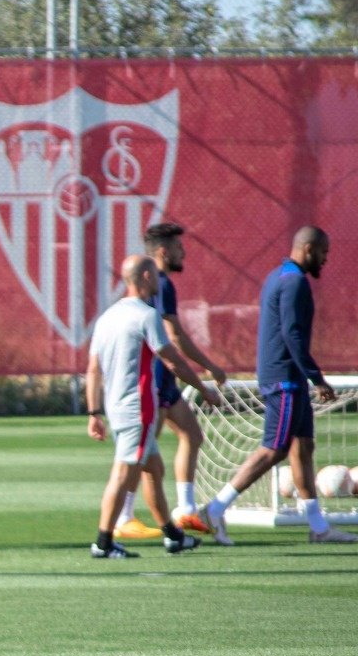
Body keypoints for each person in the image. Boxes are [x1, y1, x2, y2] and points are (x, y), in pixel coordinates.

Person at [204, 226, 357, 545]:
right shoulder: (294, 282)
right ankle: (215, 509)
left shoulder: (280, 275)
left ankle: (318, 527)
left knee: (303, 446)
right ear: (309, 249)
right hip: (284, 378)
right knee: (276, 449)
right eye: (324, 252)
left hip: (291, 378)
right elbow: (292, 334)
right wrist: (317, 377)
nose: (326, 259)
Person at [86, 254, 221, 559]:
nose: (160, 281)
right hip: (139, 409)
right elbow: (171, 360)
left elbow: (93, 370)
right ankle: (103, 542)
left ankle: (173, 536)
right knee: (123, 473)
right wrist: (203, 388)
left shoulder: (107, 317)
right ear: (147, 277)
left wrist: (94, 413)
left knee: (154, 469)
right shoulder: (146, 315)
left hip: (116, 407)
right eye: (156, 276)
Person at [112, 222, 229, 541]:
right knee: (145, 454)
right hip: (153, 377)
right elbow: (173, 335)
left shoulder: (157, 284)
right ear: (164, 252)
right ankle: (124, 517)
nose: (184, 252)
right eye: (178, 248)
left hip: (162, 378)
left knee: (191, 434)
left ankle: (185, 510)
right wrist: (208, 367)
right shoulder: (161, 284)